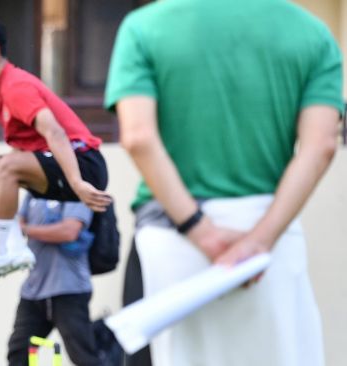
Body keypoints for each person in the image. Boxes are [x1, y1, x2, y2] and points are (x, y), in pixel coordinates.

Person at [105, 1, 343, 366]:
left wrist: (203, 232)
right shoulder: (312, 33)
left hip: (173, 240)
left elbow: (138, 137)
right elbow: (322, 145)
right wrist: (259, 241)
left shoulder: (144, 27)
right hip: (270, 246)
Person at [0, 17, 112, 277]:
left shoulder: (16, 85)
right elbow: (26, 149)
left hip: (84, 164)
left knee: (6, 165)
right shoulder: (1, 93)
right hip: (60, 164)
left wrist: (77, 182)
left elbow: (54, 131)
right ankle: (16, 247)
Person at [7, 195, 101, 366]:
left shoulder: (75, 190)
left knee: (83, 357)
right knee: (18, 352)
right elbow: (15, 222)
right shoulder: (32, 191)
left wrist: (26, 229)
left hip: (70, 290)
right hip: (33, 290)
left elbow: (69, 231)